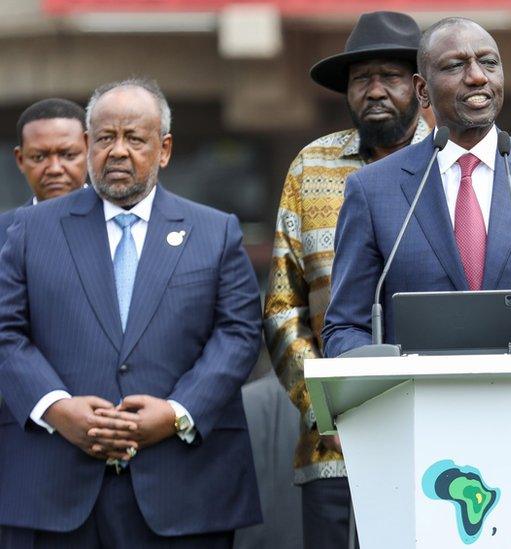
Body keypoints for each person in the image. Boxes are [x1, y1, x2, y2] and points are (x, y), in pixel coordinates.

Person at [0, 78, 262, 547]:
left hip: (183, 487)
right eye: (105, 138)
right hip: (53, 486)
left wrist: (178, 411)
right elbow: (5, 332)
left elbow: (238, 332)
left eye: (134, 138)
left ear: (163, 150)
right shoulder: (29, 230)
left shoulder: (215, 231)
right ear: (88, 144)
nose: (117, 151)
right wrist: (56, 409)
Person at [323, 15, 511, 364]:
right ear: (423, 90)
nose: (477, 76)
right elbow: (346, 326)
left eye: (488, 62)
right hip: (417, 408)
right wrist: (371, 370)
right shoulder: (372, 188)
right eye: (456, 65)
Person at [262, 11, 430, 548]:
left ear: (421, 86)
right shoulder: (311, 165)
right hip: (334, 444)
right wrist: (325, 404)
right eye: (362, 79)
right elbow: (282, 307)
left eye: (390, 76)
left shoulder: (455, 163)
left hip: (444, 432)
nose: (375, 90)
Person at [0, 98, 88, 245]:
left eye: (68, 155)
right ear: (20, 159)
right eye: (39, 157)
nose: (54, 169)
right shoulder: (4, 232)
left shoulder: (115, 223)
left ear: (89, 151)